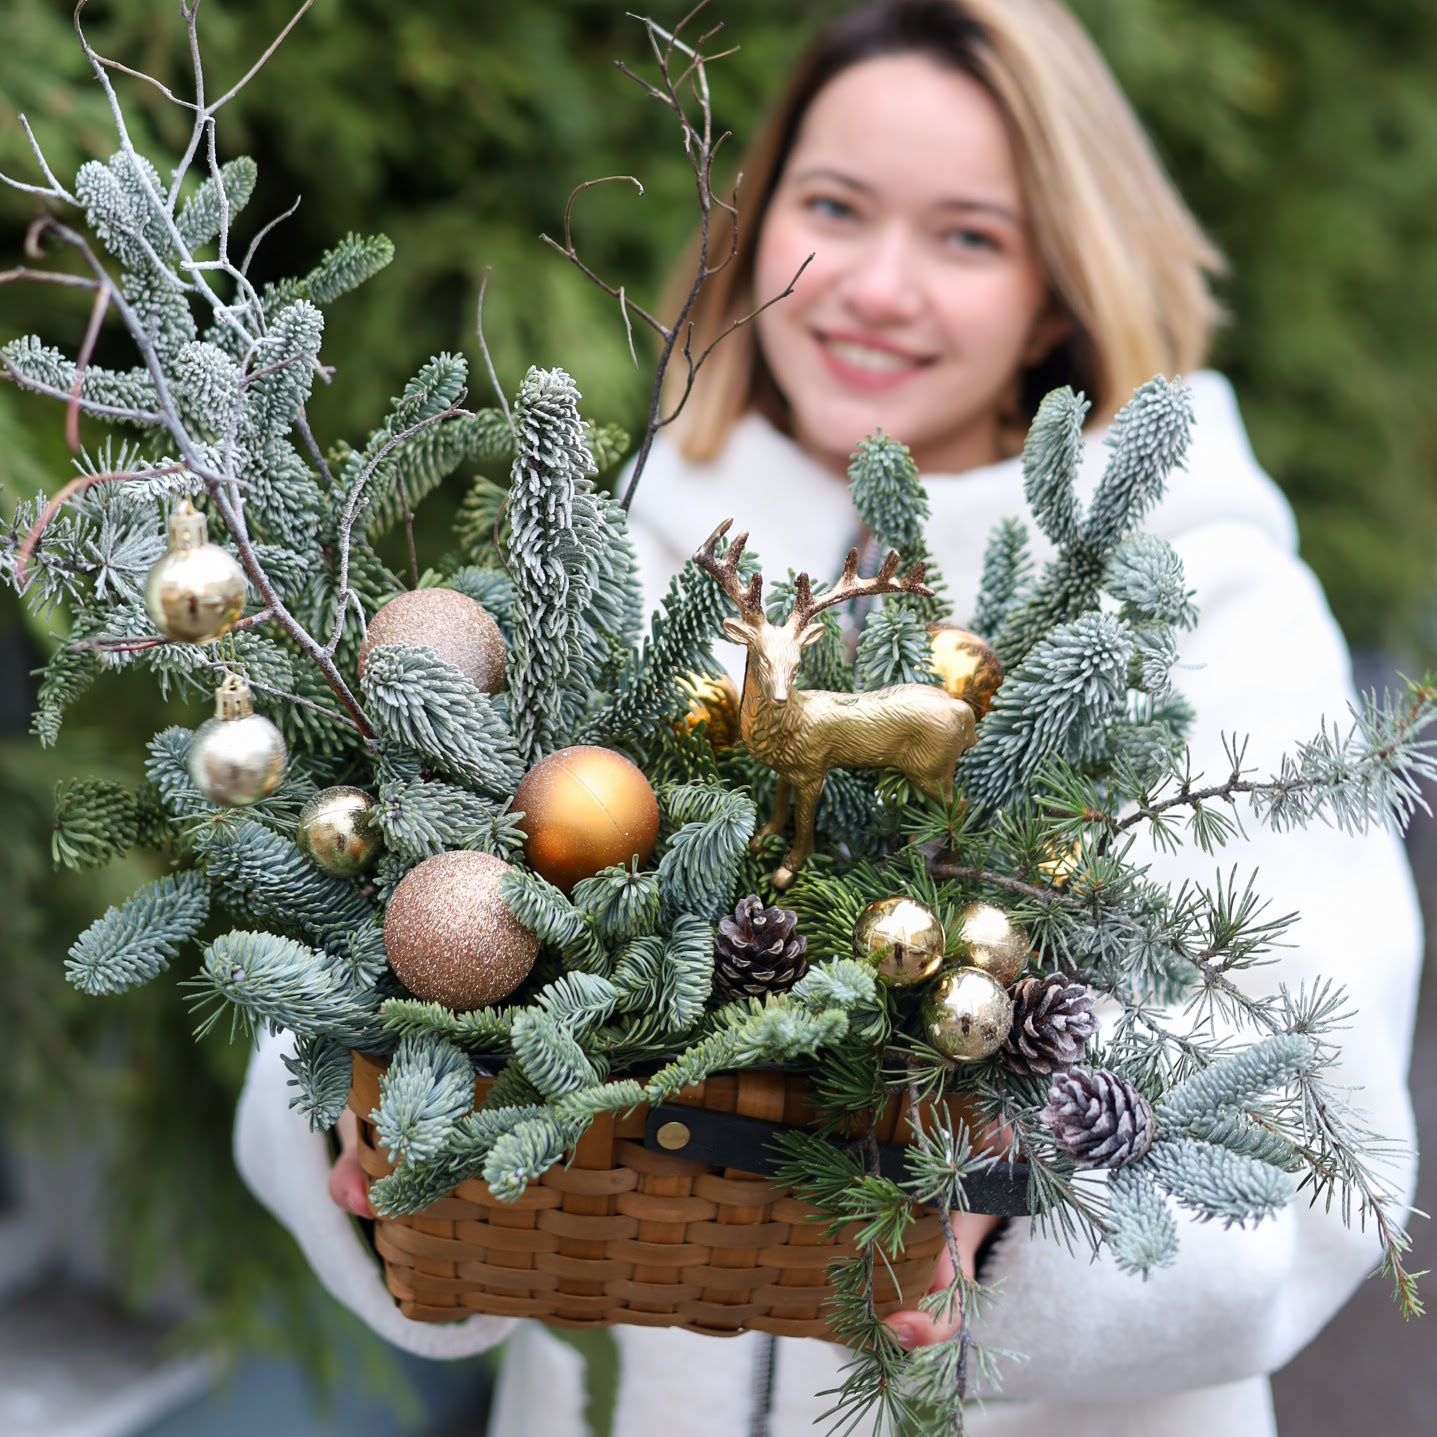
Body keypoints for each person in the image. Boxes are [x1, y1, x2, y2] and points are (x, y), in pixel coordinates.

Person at [234, 3, 1423, 1434]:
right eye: (834, 207)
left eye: (967, 236)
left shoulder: (1201, 603)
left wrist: (1008, 1211)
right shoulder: (628, 561)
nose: (872, 285)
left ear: (1057, 282)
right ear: (754, 227)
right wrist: (369, 1121)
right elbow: (396, 899)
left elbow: (1310, 1103)